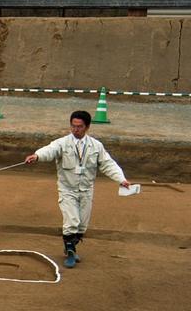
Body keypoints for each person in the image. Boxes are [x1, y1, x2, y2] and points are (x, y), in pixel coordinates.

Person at [24, 110, 131, 268]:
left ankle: (72, 245)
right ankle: (70, 251)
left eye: (79, 127)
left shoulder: (96, 146)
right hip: (67, 189)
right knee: (72, 221)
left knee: (82, 226)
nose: (75, 129)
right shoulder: (62, 143)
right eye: (73, 126)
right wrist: (37, 156)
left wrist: (121, 179)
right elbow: (50, 150)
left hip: (87, 190)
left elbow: (108, 164)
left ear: (87, 127)